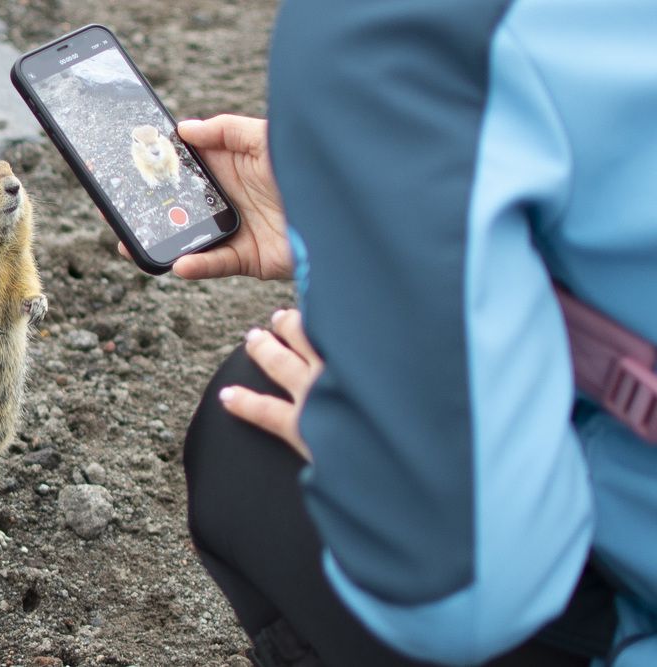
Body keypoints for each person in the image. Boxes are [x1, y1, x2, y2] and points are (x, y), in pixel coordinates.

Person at [123, 2, 657, 665]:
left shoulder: (389, 30)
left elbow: (463, 596)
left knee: (251, 428)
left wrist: (362, 452)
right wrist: (360, 219)